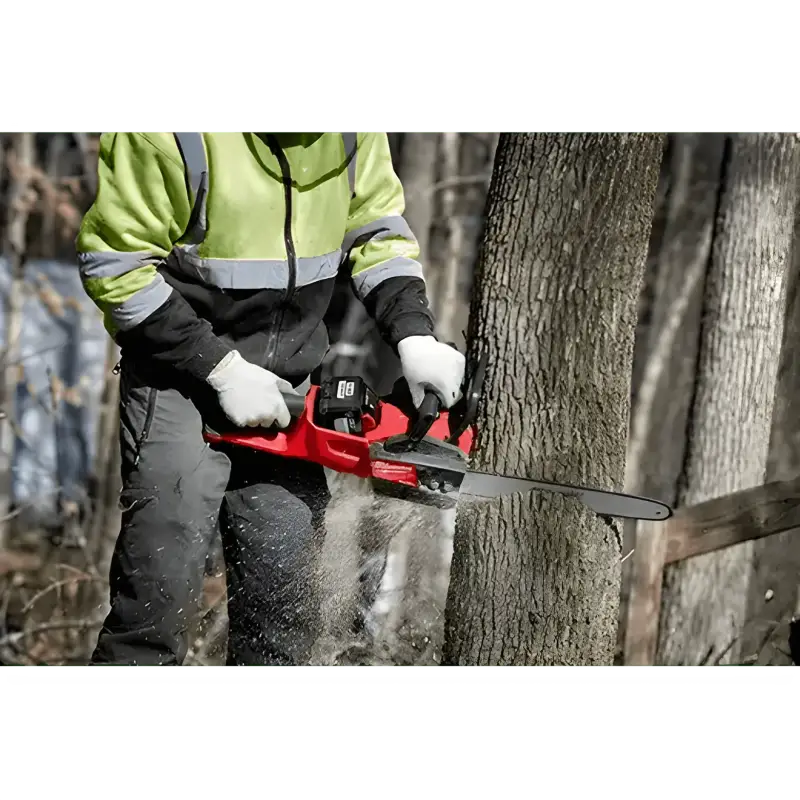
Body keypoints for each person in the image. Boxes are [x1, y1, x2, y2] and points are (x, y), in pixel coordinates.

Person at [76, 129, 465, 668]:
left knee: (283, 616)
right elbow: (116, 270)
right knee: (157, 598)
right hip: (177, 377)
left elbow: (376, 233)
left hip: (288, 390)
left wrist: (414, 333)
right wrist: (221, 369)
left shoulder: (353, 134)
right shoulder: (167, 135)